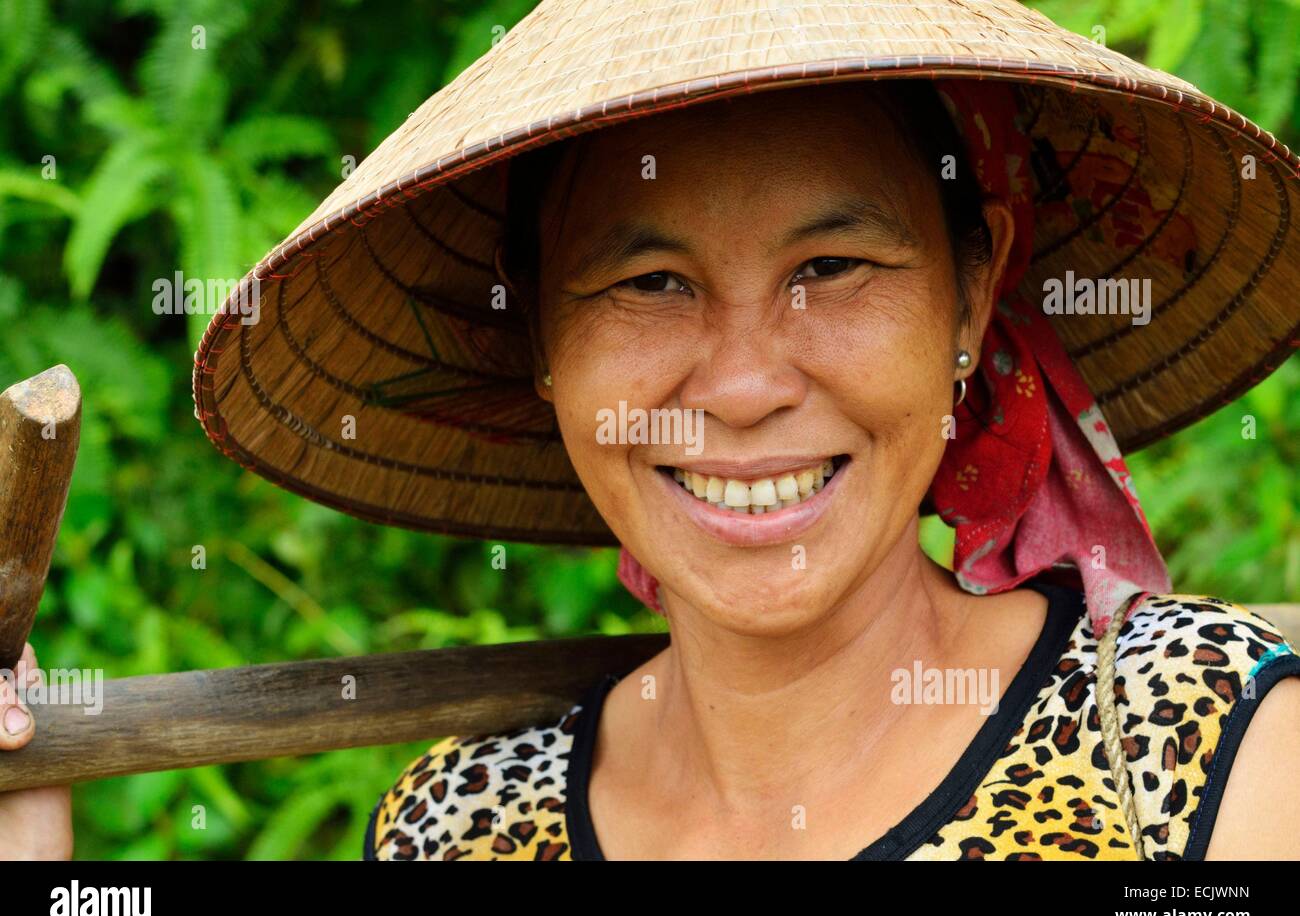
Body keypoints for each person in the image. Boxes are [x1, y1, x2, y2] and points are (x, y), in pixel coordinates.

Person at [5, 0, 1298, 861]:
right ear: (543, 352)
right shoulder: (462, 832)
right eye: (650, 283)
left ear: (973, 290)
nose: (742, 386)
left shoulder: (1204, 759)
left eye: (835, 264)